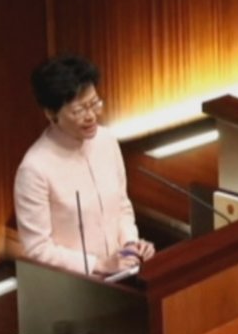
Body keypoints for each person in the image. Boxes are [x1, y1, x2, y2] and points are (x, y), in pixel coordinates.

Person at [14, 54, 154, 276]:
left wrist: (130, 245)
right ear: (51, 113)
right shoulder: (34, 169)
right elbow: (37, 249)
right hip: (75, 285)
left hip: (122, 274)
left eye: (94, 104)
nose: (91, 116)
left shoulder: (107, 141)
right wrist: (98, 265)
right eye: (79, 110)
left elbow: (121, 205)